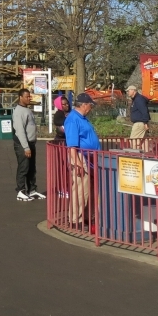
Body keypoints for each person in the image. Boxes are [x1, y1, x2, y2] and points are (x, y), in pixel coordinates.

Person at [63, 93, 100, 227]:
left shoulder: (82, 118)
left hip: (89, 156)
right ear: (84, 105)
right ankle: (75, 219)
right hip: (80, 156)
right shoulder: (73, 119)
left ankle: (87, 215)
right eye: (90, 105)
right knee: (80, 189)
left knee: (90, 188)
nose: (91, 108)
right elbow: (72, 144)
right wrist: (77, 163)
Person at [13, 88, 44, 201]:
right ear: (20, 97)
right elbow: (20, 131)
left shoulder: (27, 110)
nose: (29, 98)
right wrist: (26, 147)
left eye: (29, 96)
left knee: (31, 168)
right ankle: (20, 191)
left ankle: (32, 190)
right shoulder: (18, 112)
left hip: (30, 143)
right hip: (23, 145)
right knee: (24, 167)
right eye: (27, 97)